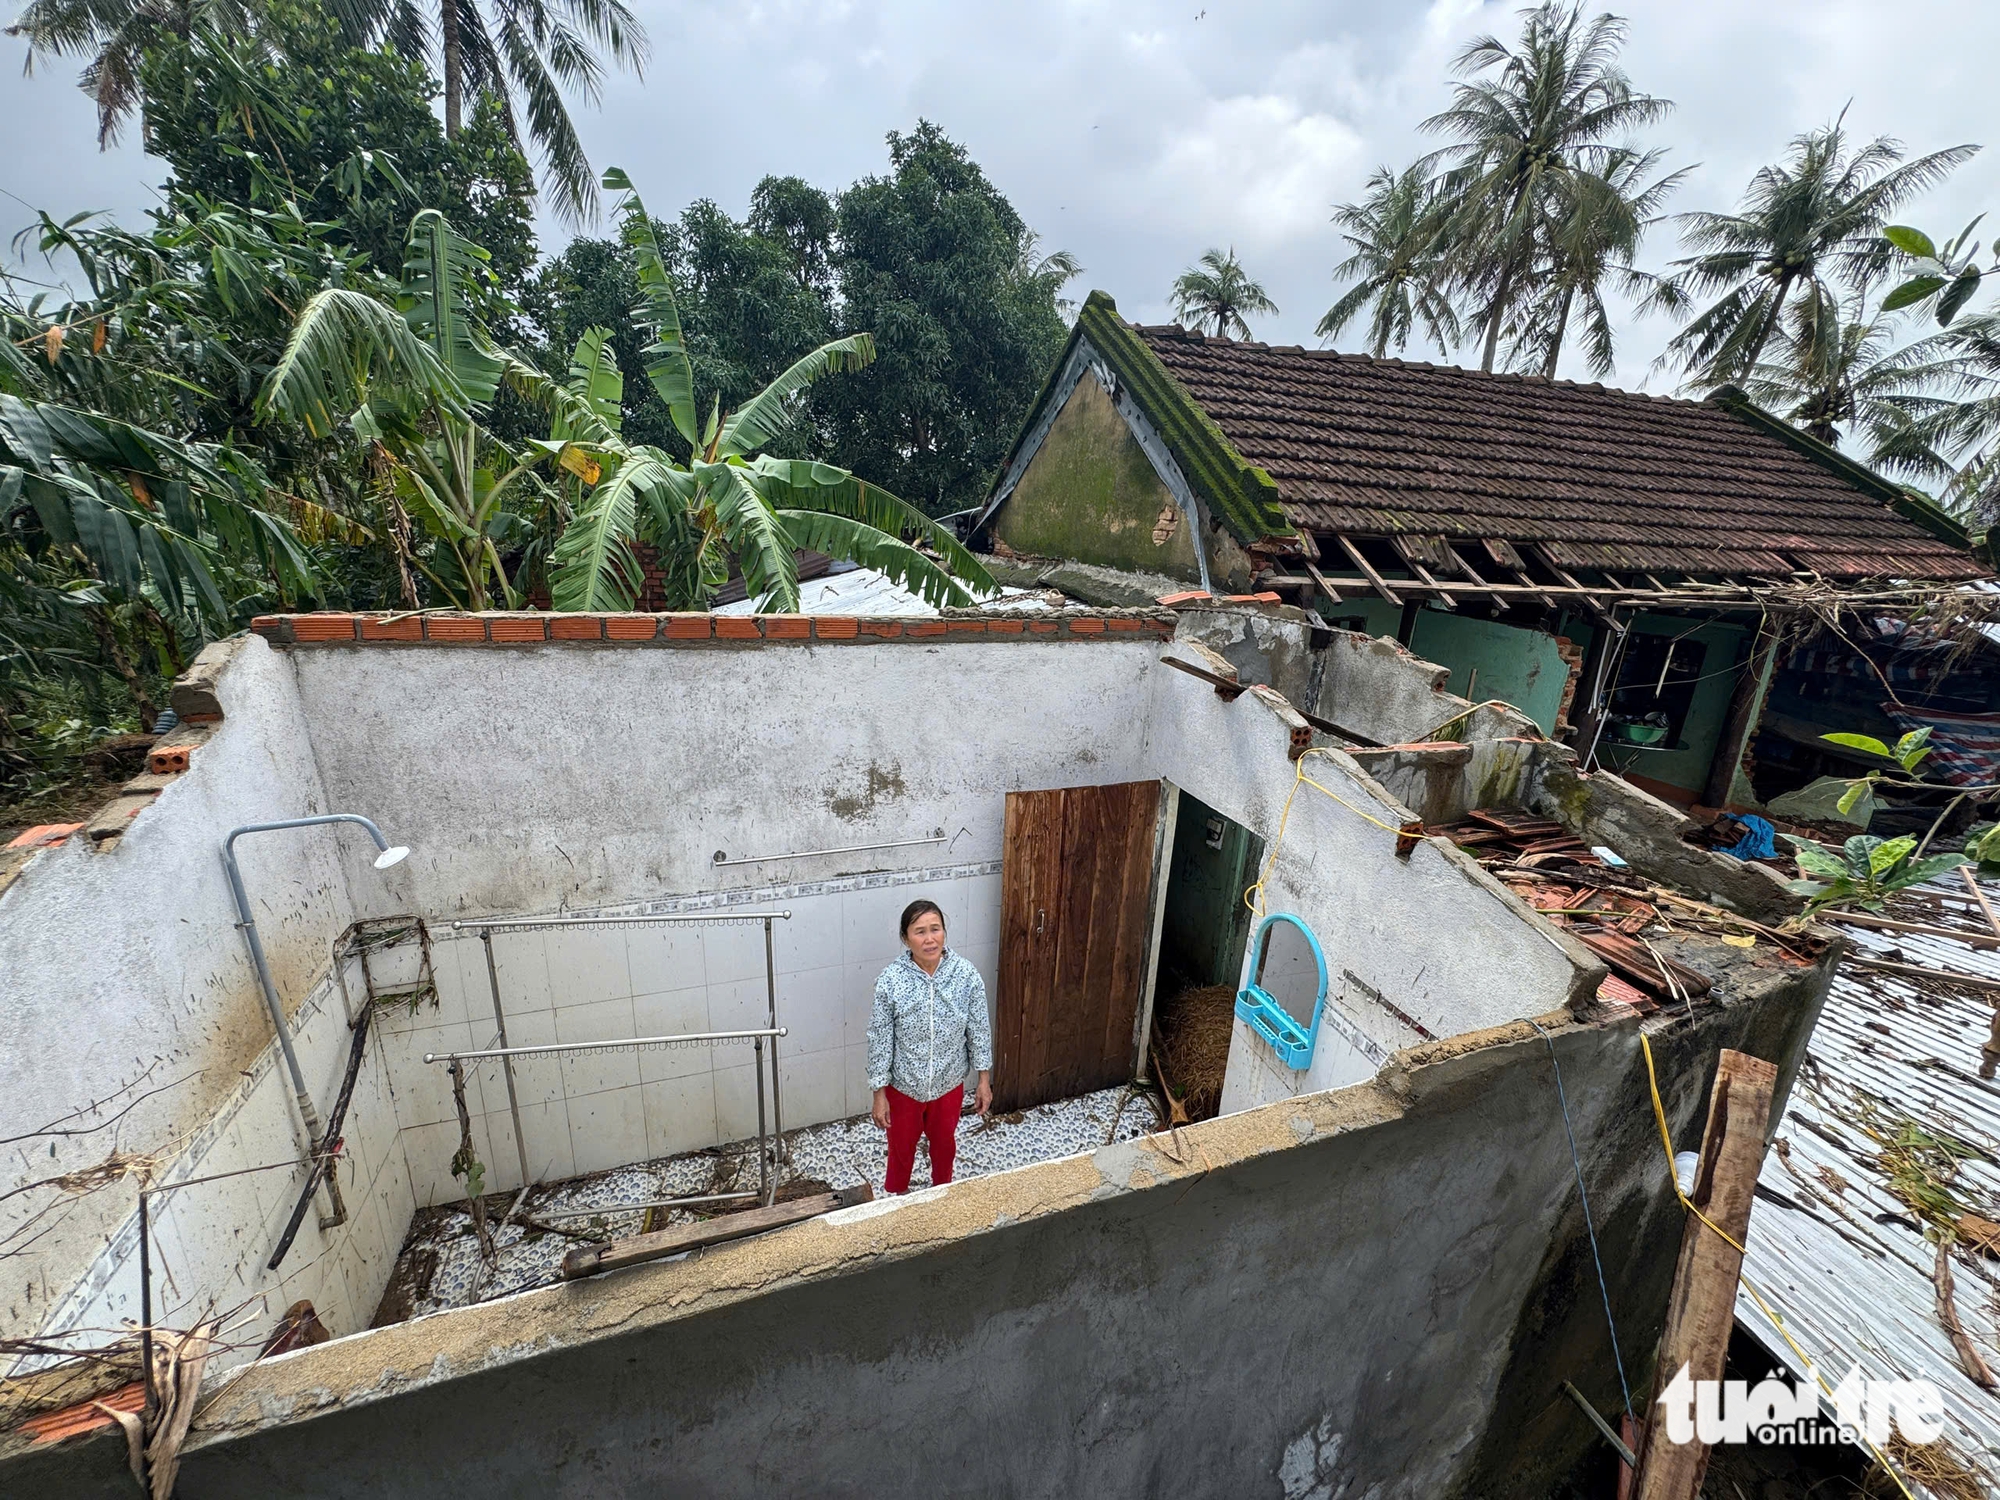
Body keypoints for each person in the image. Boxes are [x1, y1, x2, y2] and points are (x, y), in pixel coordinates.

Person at [867, 899, 993, 1194]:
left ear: (944, 932)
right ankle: (898, 1198)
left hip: (948, 1086)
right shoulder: (891, 981)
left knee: (944, 1146)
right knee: (900, 1149)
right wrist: (879, 1094)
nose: (929, 939)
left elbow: (979, 1028)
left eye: (935, 929)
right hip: (904, 1088)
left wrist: (984, 1081)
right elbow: (879, 1039)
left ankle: (942, 1197)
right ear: (905, 938)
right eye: (919, 931)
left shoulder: (966, 975)